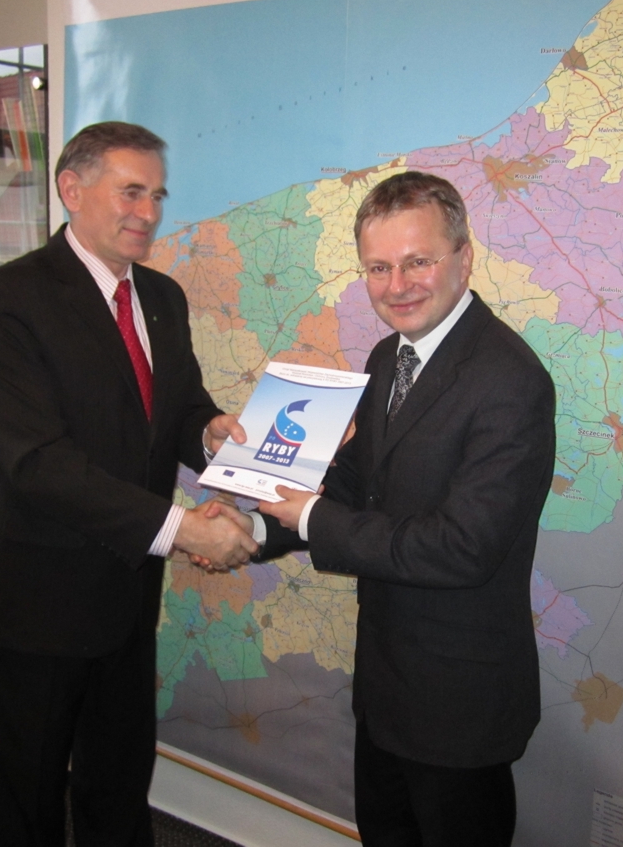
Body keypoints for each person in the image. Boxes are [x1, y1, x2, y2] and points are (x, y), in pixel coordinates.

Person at [0, 121, 256, 846]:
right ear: (72, 189)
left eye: (157, 195)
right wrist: (182, 530)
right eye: (131, 192)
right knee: (25, 795)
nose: (148, 212)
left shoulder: (161, 296)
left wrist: (209, 432)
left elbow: (175, 409)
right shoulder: (6, 299)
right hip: (39, 599)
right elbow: (38, 462)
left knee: (118, 782)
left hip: (127, 592)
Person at [247, 171, 556, 846]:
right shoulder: (389, 356)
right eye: (378, 267)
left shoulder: (510, 381)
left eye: (418, 261)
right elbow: (358, 483)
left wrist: (310, 519)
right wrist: (254, 526)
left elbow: (462, 547)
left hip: (458, 702)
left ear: (464, 258)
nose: (397, 286)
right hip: (387, 683)